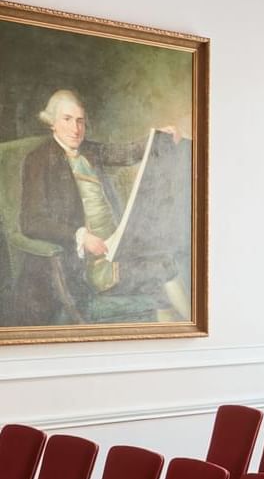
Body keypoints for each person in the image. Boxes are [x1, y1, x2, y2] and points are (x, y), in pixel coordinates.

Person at [18, 89, 190, 321]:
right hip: (86, 263)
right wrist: (81, 236)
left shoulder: (89, 149)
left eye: (80, 121)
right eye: (67, 120)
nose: (75, 128)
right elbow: (31, 221)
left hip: (117, 248)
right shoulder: (38, 159)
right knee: (162, 269)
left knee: (167, 262)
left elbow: (127, 152)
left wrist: (159, 137)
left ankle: (181, 333)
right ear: (52, 123)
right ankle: (191, 328)